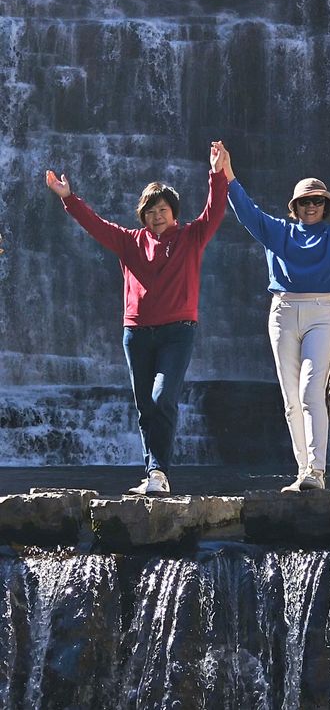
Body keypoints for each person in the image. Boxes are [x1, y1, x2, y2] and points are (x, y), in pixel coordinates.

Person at [45, 144, 228, 496]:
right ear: (142, 215)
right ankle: (155, 473)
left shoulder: (192, 236)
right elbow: (95, 225)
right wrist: (69, 198)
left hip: (178, 332)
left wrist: (217, 173)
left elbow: (215, 210)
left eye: (163, 210)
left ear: (174, 213)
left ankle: (159, 470)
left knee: (162, 398)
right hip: (137, 334)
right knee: (145, 405)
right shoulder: (130, 241)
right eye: (150, 211)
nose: (157, 216)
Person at [215, 140, 330, 491]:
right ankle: (303, 472)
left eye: (317, 201)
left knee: (312, 391)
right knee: (290, 400)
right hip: (282, 312)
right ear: (295, 207)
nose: (311, 206)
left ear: (325, 205)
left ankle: (316, 471)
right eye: (304, 201)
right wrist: (227, 172)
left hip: (321, 312)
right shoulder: (277, 232)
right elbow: (245, 209)